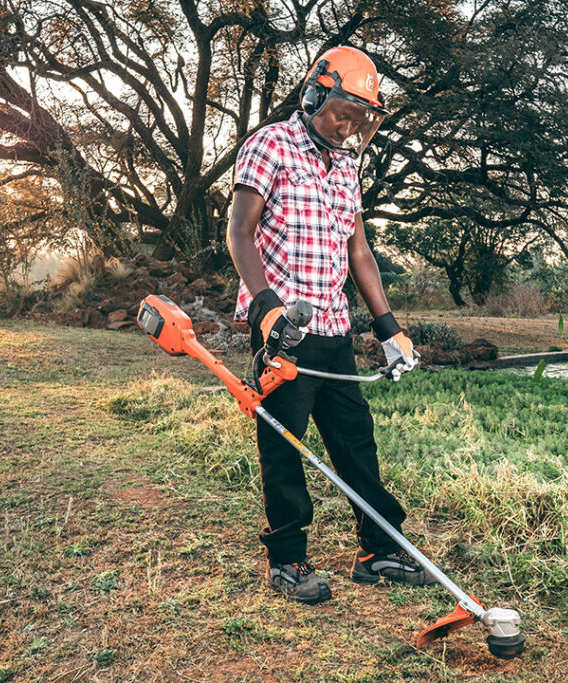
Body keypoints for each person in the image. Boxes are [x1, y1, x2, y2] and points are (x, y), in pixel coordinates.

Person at [227, 46, 435, 604]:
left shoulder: (346, 166)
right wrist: (266, 305)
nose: (349, 126)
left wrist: (388, 327)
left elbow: (359, 252)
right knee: (284, 445)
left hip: (336, 331)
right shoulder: (269, 145)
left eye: (360, 119)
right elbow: (239, 233)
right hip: (284, 330)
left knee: (355, 442)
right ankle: (288, 559)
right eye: (343, 112)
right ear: (316, 92)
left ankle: (378, 548)